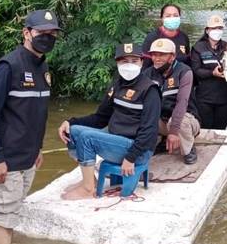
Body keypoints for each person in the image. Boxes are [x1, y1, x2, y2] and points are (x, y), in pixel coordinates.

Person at [0, 9, 61, 244]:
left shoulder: (42, 67)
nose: (48, 37)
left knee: (10, 213)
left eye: (52, 33)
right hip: (5, 162)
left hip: (27, 158)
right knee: (4, 218)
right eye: (42, 33)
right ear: (26, 33)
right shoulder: (7, 67)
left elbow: (36, 115)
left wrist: (38, 149)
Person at [57, 42, 160, 200]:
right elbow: (100, 118)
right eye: (124, 61)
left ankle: (88, 189)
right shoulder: (117, 84)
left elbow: (150, 131)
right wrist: (70, 122)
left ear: (141, 62)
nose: (129, 65)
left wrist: (130, 157)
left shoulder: (149, 90)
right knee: (75, 131)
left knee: (87, 138)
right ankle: (90, 179)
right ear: (117, 63)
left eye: (134, 61)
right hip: (117, 139)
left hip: (138, 149)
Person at [143, 38, 201, 164]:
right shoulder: (147, 74)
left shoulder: (185, 72)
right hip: (161, 120)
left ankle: (188, 148)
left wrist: (173, 131)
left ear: (172, 56)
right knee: (139, 115)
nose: (156, 58)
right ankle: (160, 141)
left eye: (161, 55)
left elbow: (182, 103)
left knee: (181, 121)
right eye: (154, 54)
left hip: (185, 120)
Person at [191, 15, 227, 129]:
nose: (217, 31)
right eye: (214, 28)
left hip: (224, 97)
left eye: (220, 28)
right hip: (204, 98)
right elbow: (196, 70)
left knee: (221, 131)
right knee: (205, 131)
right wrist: (212, 73)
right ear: (207, 30)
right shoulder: (198, 47)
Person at [142, 3, 191, 68]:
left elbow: (187, 61)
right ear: (162, 18)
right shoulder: (152, 37)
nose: (172, 18)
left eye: (175, 15)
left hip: (180, 75)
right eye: (168, 16)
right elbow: (146, 65)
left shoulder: (184, 37)